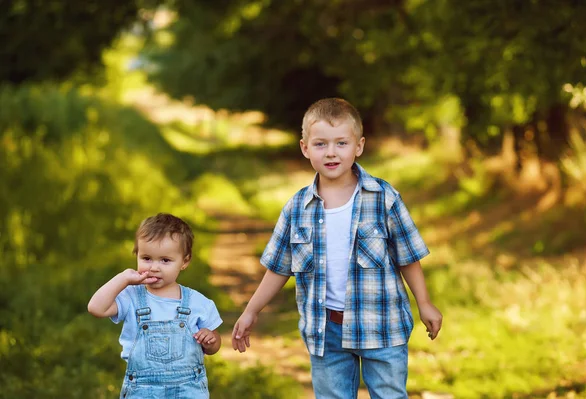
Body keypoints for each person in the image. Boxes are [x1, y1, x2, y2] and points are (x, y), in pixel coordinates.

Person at [232, 98, 442, 398]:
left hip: (381, 324)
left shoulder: (383, 198)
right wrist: (251, 311)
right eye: (320, 144)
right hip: (325, 331)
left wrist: (424, 303)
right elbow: (279, 267)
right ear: (305, 148)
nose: (331, 152)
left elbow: (407, 257)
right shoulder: (297, 208)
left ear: (359, 146)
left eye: (341, 143)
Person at [88, 213, 222, 399]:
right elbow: (96, 308)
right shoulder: (131, 296)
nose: (154, 267)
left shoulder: (197, 303)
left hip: (188, 390)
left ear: (184, 261)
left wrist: (211, 339)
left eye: (165, 260)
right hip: (142, 391)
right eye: (146, 258)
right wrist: (124, 278)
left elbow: (214, 346)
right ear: (137, 256)